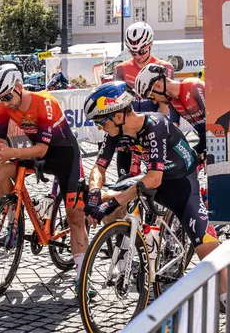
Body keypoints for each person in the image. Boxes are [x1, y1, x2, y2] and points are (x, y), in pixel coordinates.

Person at [82, 81, 225, 307]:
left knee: (205, 247)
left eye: (101, 122)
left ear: (118, 116)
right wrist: (94, 193)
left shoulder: (154, 125)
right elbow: (98, 167)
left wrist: (111, 202)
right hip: (151, 177)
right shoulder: (115, 132)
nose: (100, 128)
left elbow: (154, 179)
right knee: (110, 203)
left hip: (180, 183)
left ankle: (225, 296)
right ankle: (131, 250)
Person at [0, 64, 89, 290]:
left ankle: (83, 276)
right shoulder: (4, 106)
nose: (5, 102)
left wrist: (10, 152)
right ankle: (14, 212)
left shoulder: (45, 102)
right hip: (33, 152)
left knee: (75, 217)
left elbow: (41, 149)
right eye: (0, 99)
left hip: (63, 156)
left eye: (7, 96)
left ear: (19, 86)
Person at [115, 21, 175, 177]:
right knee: (123, 178)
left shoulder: (164, 67)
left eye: (142, 51)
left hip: (154, 128)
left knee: (158, 179)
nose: (138, 56)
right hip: (129, 129)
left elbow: (164, 106)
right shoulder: (121, 69)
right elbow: (118, 107)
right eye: (132, 52)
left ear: (151, 45)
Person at [134, 64, 206, 160]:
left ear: (158, 86)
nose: (154, 101)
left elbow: (214, 118)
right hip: (206, 139)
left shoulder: (194, 86)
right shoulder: (173, 101)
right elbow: (173, 128)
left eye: (151, 96)